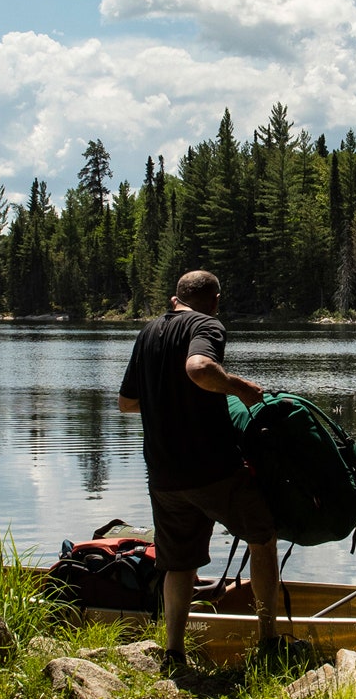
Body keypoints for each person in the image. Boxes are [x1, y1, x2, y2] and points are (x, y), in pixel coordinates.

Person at [116, 269, 280, 668]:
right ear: (215, 299)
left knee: (178, 562)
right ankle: (269, 640)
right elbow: (199, 368)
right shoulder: (207, 324)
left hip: (164, 473)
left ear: (176, 298)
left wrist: (165, 402)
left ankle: (174, 651)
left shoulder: (148, 332)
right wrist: (240, 388)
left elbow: (126, 402)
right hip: (214, 469)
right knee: (263, 536)